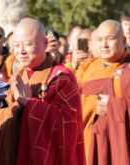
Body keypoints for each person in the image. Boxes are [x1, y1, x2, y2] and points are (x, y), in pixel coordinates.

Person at [11, 18, 85, 165]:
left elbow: (68, 126)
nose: (21, 51)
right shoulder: (18, 74)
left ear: (45, 43)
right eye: (16, 45)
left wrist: (29, 104)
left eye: (28, 44)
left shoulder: (61, 78)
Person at [75, 20, 130, 165]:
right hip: (86, 144)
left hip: (121, 148)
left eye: (110, 39)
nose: (104, 45)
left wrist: (111, 105)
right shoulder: (87, 68)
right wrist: (91, 103)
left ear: (123, 40)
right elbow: (70, 104)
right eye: (100, 40)